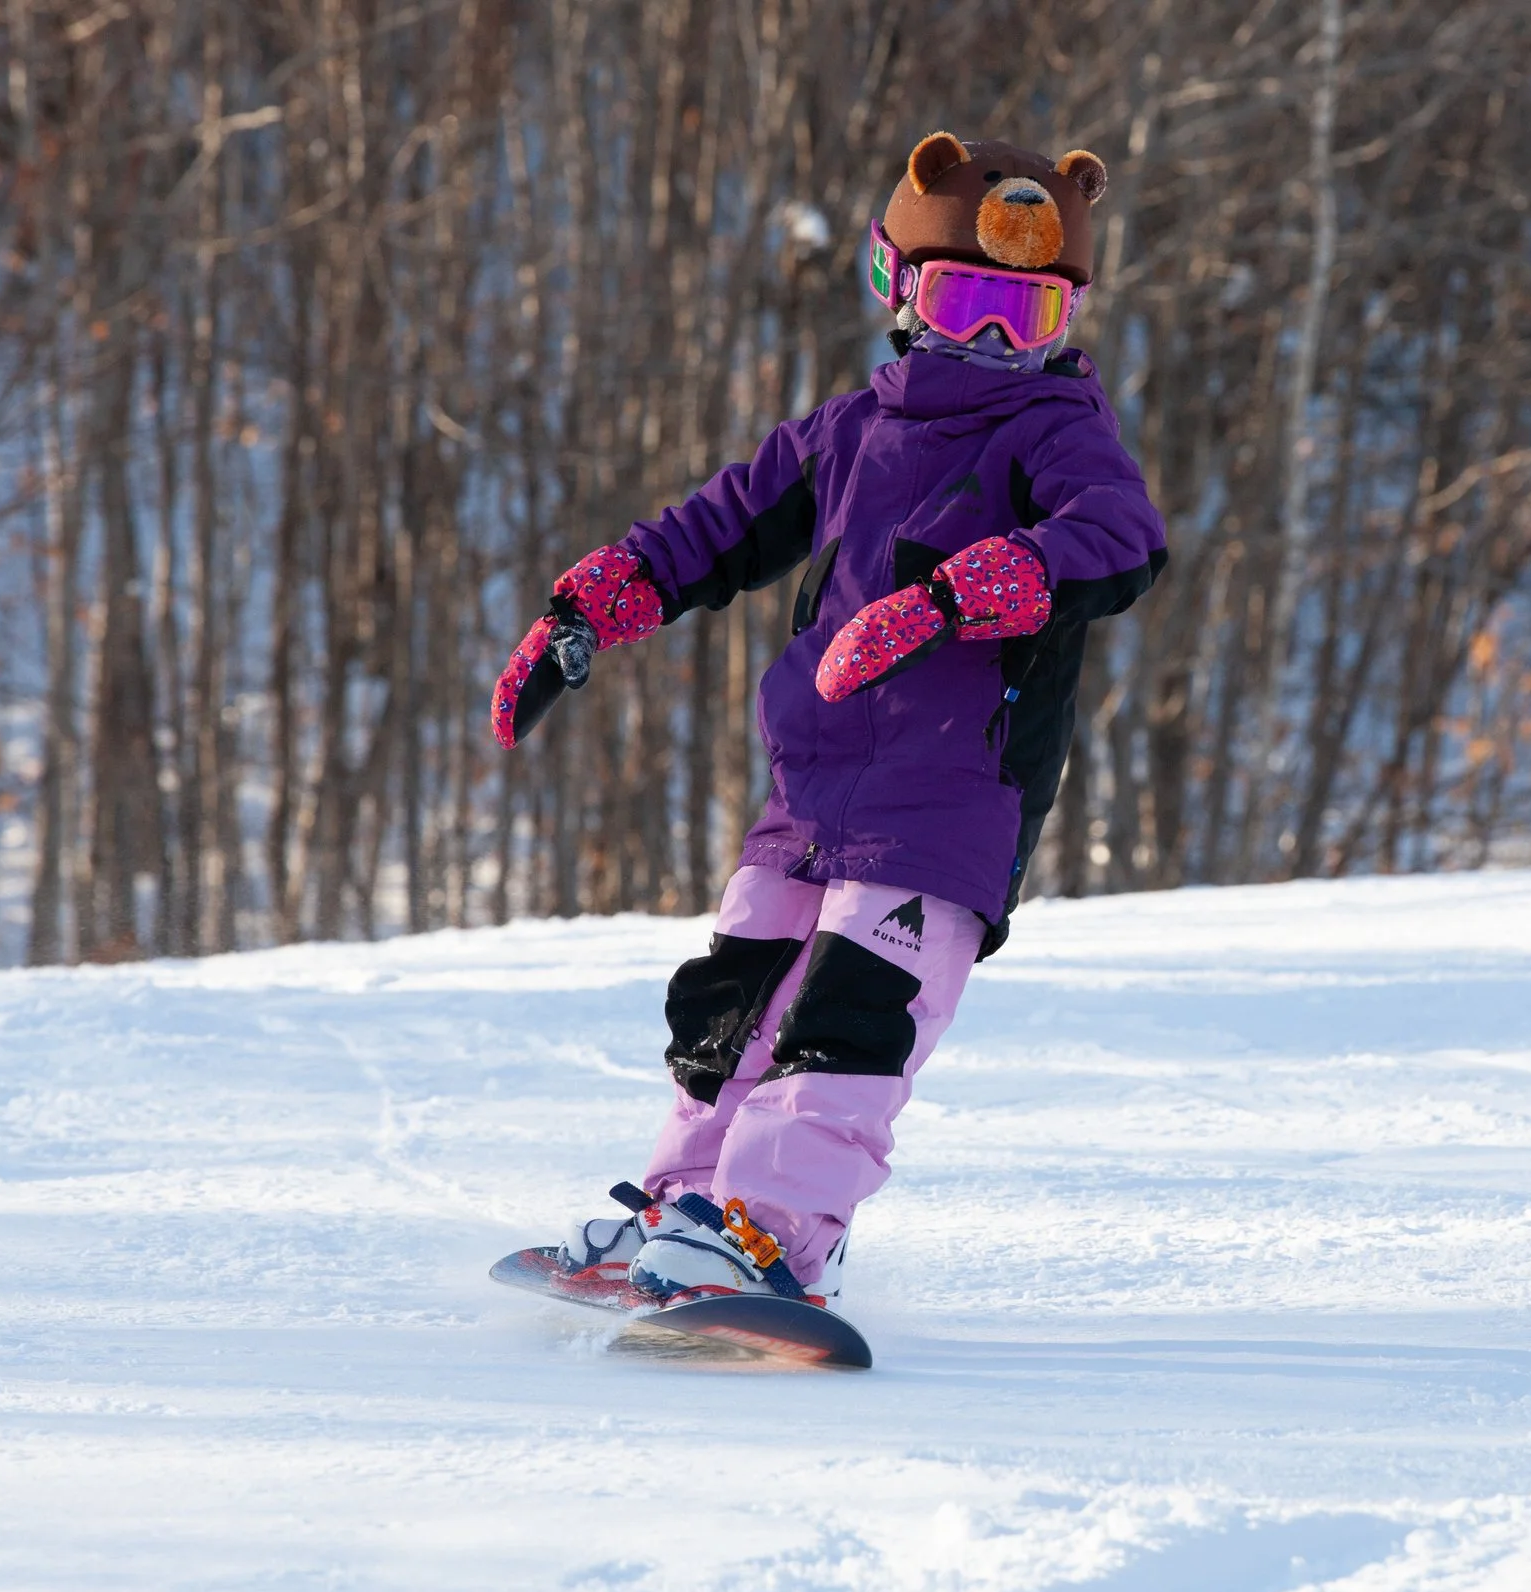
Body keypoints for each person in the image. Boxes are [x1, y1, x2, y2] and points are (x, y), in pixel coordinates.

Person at [490, 132, 1166, 1306]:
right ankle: (686, 1208)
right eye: (968, 299)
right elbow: (713, 529)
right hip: (810, 789)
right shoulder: (848, 432)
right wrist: (592, 601)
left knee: (851, 1021)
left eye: (1030, 313)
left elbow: (1118, 537)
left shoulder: (1056, 432)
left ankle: (780, 1237)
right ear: (895, 286)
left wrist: (962, 594)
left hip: (951, 796)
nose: (997, 339)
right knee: (732, 1003)